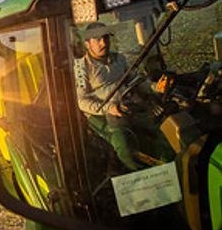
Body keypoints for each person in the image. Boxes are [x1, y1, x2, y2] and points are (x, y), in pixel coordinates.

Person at [73, 22, 173, 171]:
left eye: (106, 38)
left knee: (165, 134)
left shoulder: (119, 59)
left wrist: (155, 87)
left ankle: (171, 169)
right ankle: (141, 177)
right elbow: (82, 101)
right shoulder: (81, 68)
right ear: (87, 44)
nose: (103, 43)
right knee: (125, 148)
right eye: (97, 39)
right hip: (104, 117)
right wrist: (109, 108)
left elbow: (135, 81)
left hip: (129, 107)